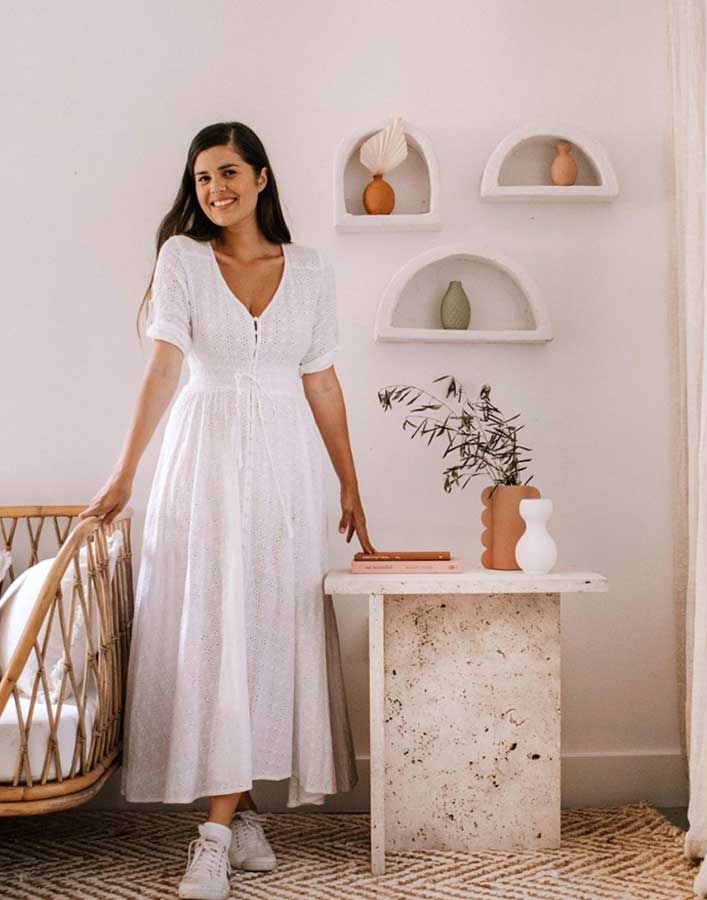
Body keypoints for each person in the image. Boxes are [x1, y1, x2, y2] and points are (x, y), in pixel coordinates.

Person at [79, 120, 376, 900]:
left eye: (230, 173)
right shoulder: (182, 259)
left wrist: (349, 482)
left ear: (262, 178)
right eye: (203, 177)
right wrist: (124, 475)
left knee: (265, 627)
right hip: (202, 463)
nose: (216, 189)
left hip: (284, 470)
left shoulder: (309, 271)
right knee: (215, 630)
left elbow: (321, 380)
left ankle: (238, 815)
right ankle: (218, 833)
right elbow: (164, 366)